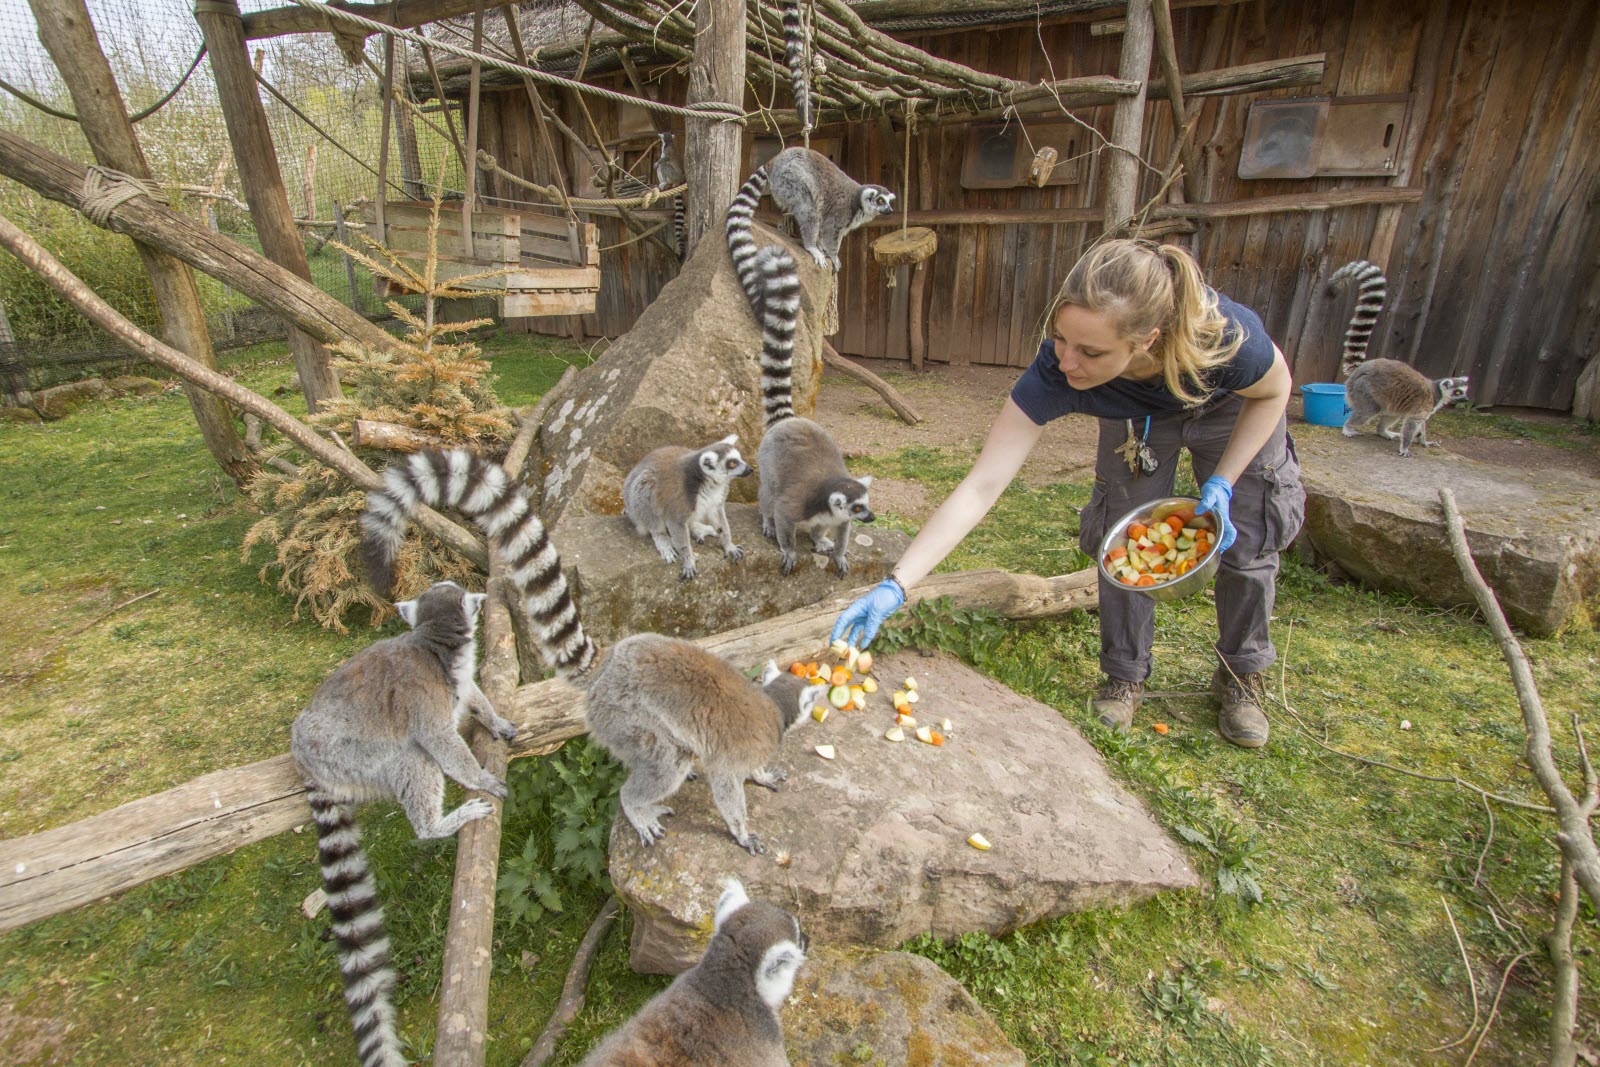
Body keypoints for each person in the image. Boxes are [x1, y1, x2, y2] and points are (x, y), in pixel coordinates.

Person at [831, 238, 1305, 749]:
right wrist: (896, 586)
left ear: (1147, 339)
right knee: (1123, 540)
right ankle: (1125, 674)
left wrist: (1224, 480)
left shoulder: (1227, 338)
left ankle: (1242, 675)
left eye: (1090, 351)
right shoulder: (1058, 370)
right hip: (1138, 413)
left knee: (1251, 536)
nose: (1067, 362)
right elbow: (982, 484)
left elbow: (1275, 391)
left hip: (1232, 406)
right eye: (1061, 338)